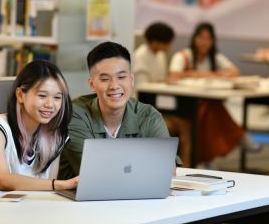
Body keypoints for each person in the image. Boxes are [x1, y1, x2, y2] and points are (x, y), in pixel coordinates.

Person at [58, 41, 179, 179]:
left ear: (131, 80)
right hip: (77, 199)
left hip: (137, 198)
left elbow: (167, 169)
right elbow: (92, 173)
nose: (114, 85)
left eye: (121, 77)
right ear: (92, 84)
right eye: (104, 79)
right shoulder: (74, 115)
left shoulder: (149, 116)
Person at [0, 60, 78, 197]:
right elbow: (3, 180)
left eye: (57, 97)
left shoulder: (55, 136)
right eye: (42, 96)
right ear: (20, 95)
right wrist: (61, 184)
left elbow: (46, 191)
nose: (50, 104)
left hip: (30, 213)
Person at [169, 21, 261, 164]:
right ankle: (238, 138)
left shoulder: (213, 57)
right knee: (212, 110)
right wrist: (204, 74)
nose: (204, 42)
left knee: (211, 109)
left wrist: (210, 74)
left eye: (208, 39)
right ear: (194, 38)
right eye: (201, 38)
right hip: (184, 106)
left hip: (204, 103)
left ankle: (208, 159)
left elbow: (234, 71)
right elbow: (173, 74)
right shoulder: (183, 56)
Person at [133, 22, 192, 166]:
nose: (169, 46)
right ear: (157, 41)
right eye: (168, 42)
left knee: (187, 125)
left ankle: (184, 166)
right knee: (180, 126)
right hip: (143, 109)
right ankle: (178, 166)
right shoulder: (140, 56)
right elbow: (142, 87)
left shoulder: (160, 55)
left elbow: (160, 80)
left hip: (159, 106)